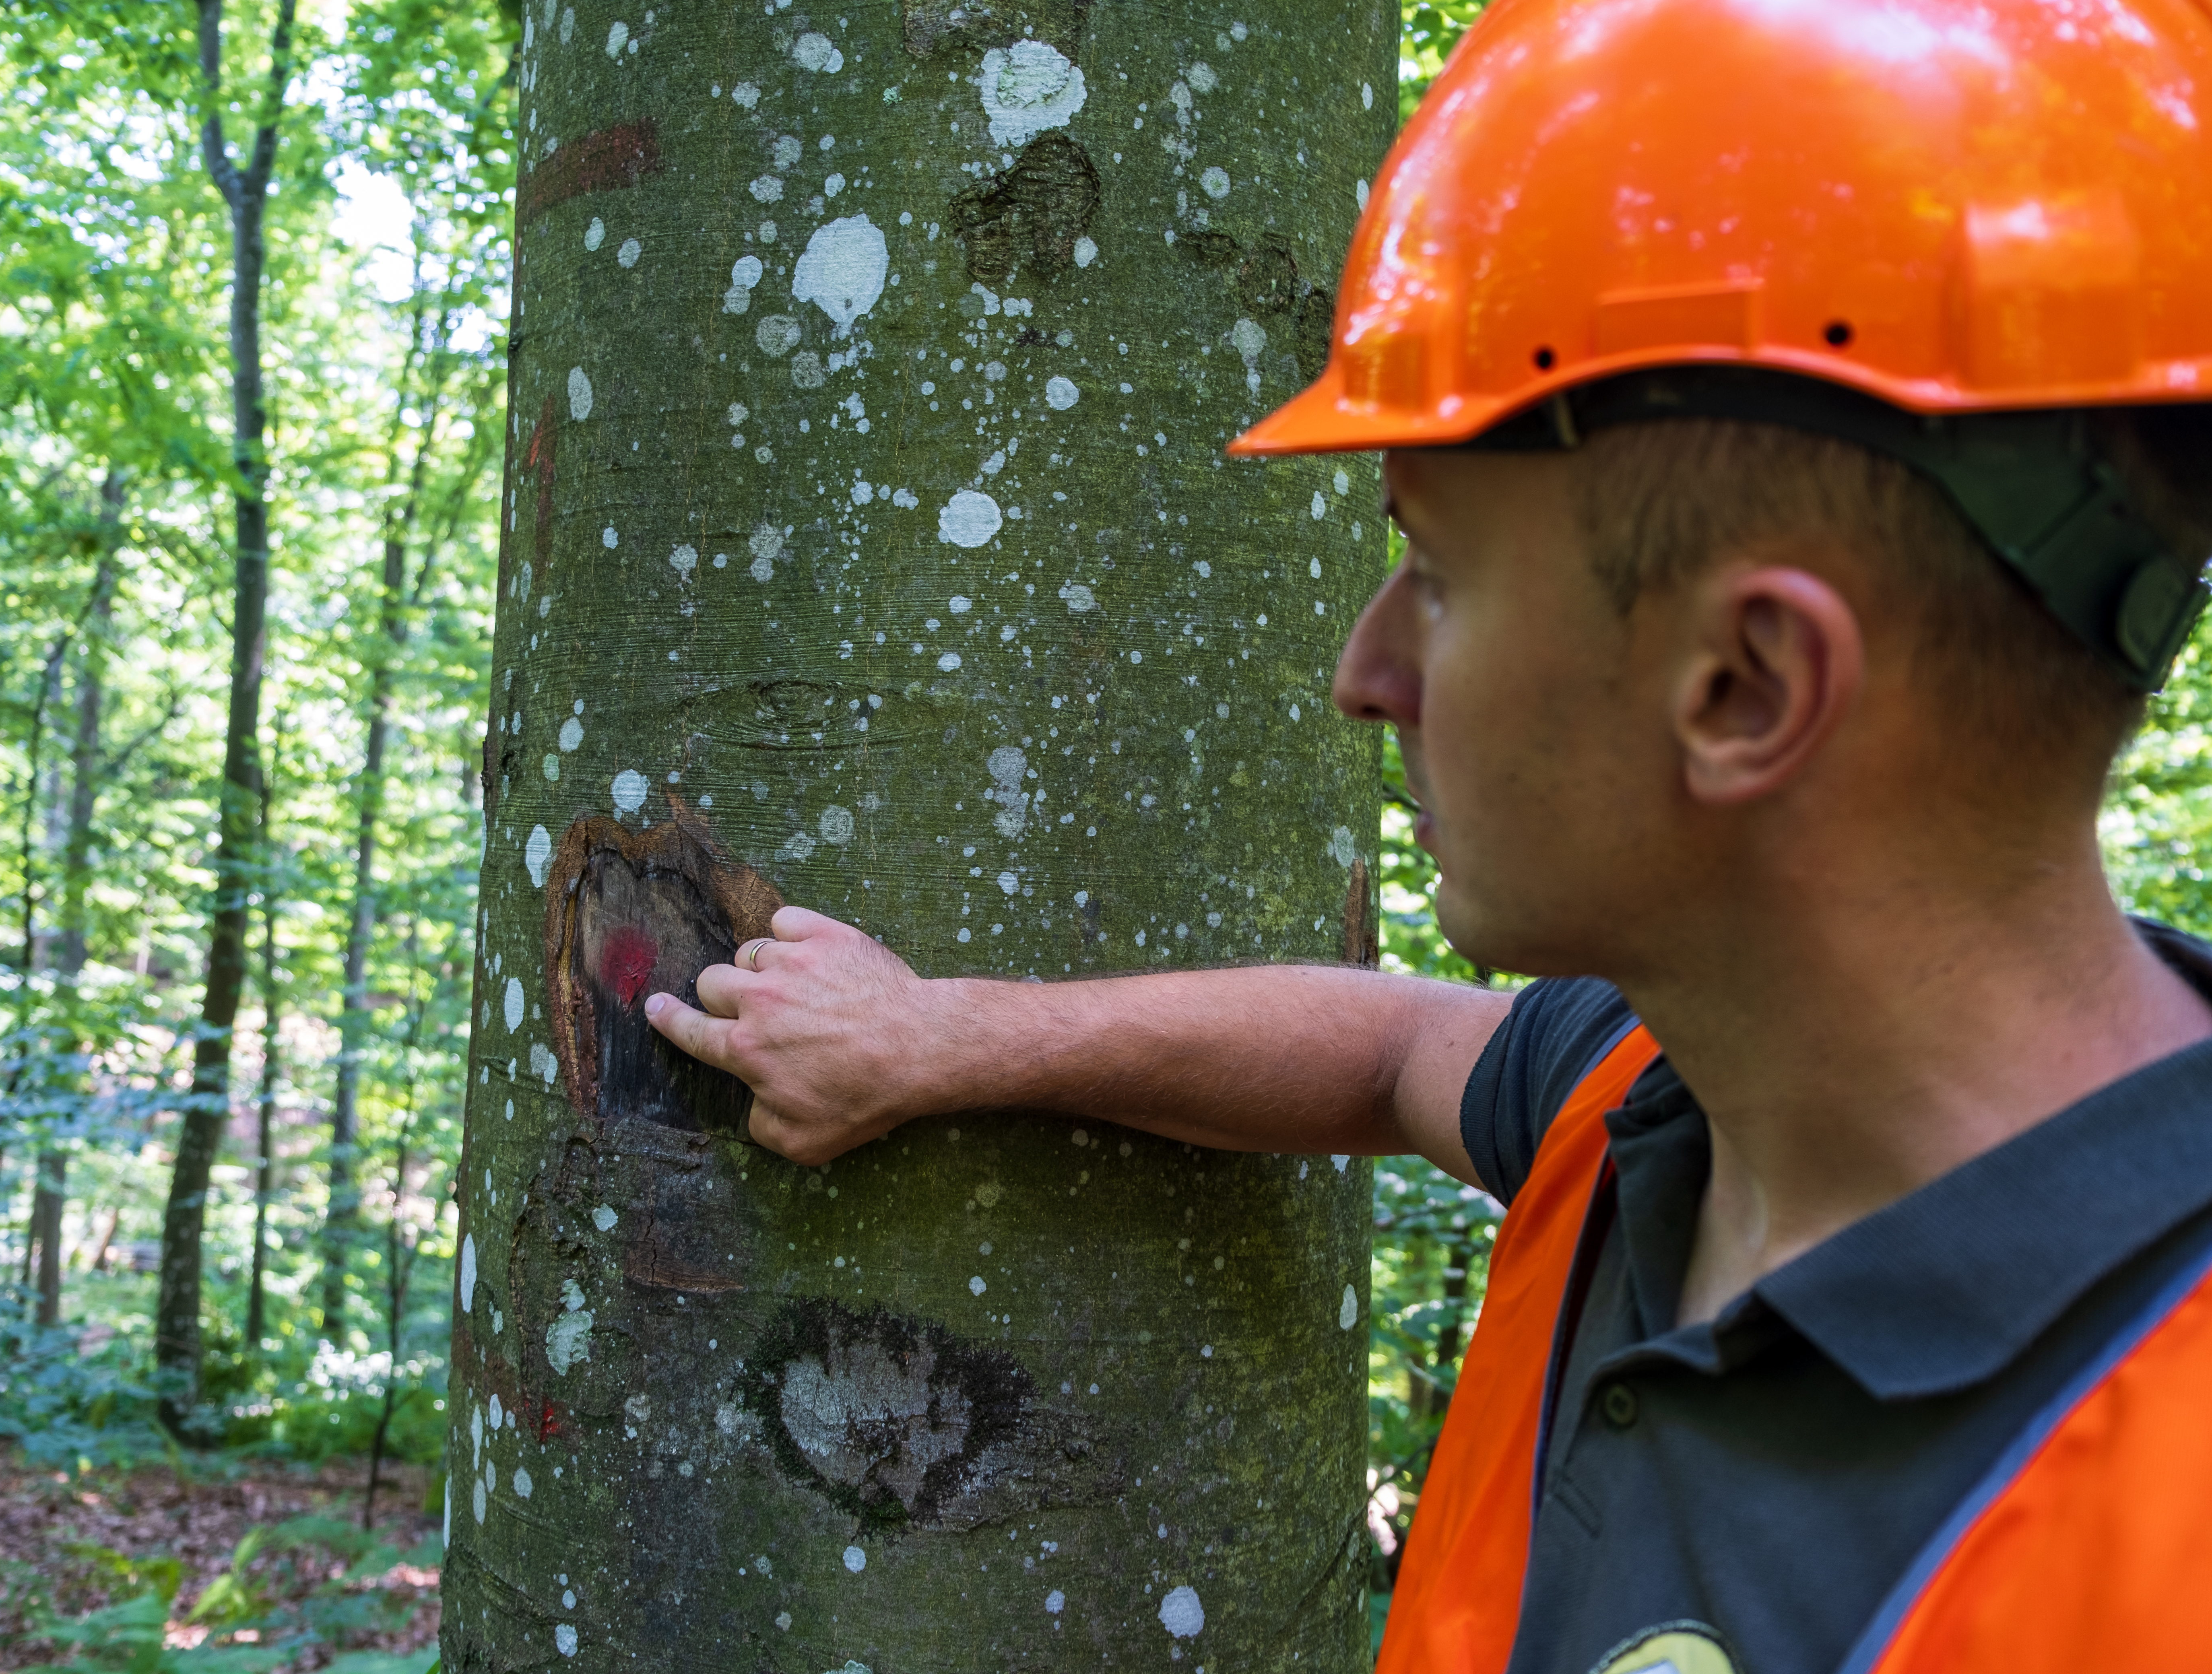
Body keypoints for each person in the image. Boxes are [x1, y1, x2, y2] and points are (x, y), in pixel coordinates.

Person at [646, 0, 2212, 1667]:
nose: (1365, 669)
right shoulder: (1657, 1097)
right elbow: (1396, 1045)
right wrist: (944, 1036)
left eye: (1442, 574)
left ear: (1746, 685)